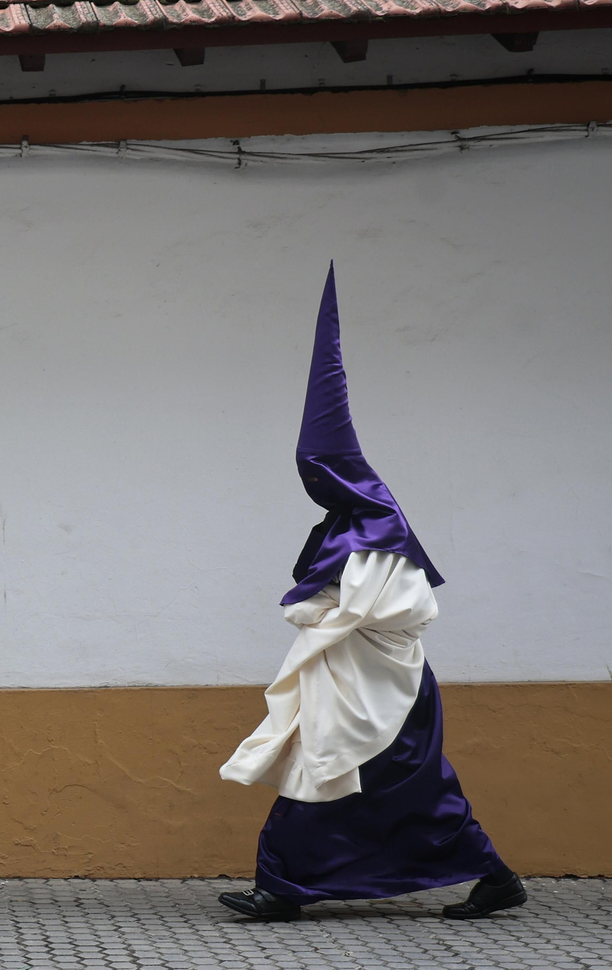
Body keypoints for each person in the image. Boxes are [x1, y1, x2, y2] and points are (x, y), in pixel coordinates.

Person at [217, 264, 525, 923]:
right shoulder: (346, 524)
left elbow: (396, 609)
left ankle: (490, 875)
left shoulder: (379, 528)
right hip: (354, 684)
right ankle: (283, 887)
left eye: (318, 472)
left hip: (387, 690)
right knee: (330, 776)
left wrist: (314, 612)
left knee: (400, 789)